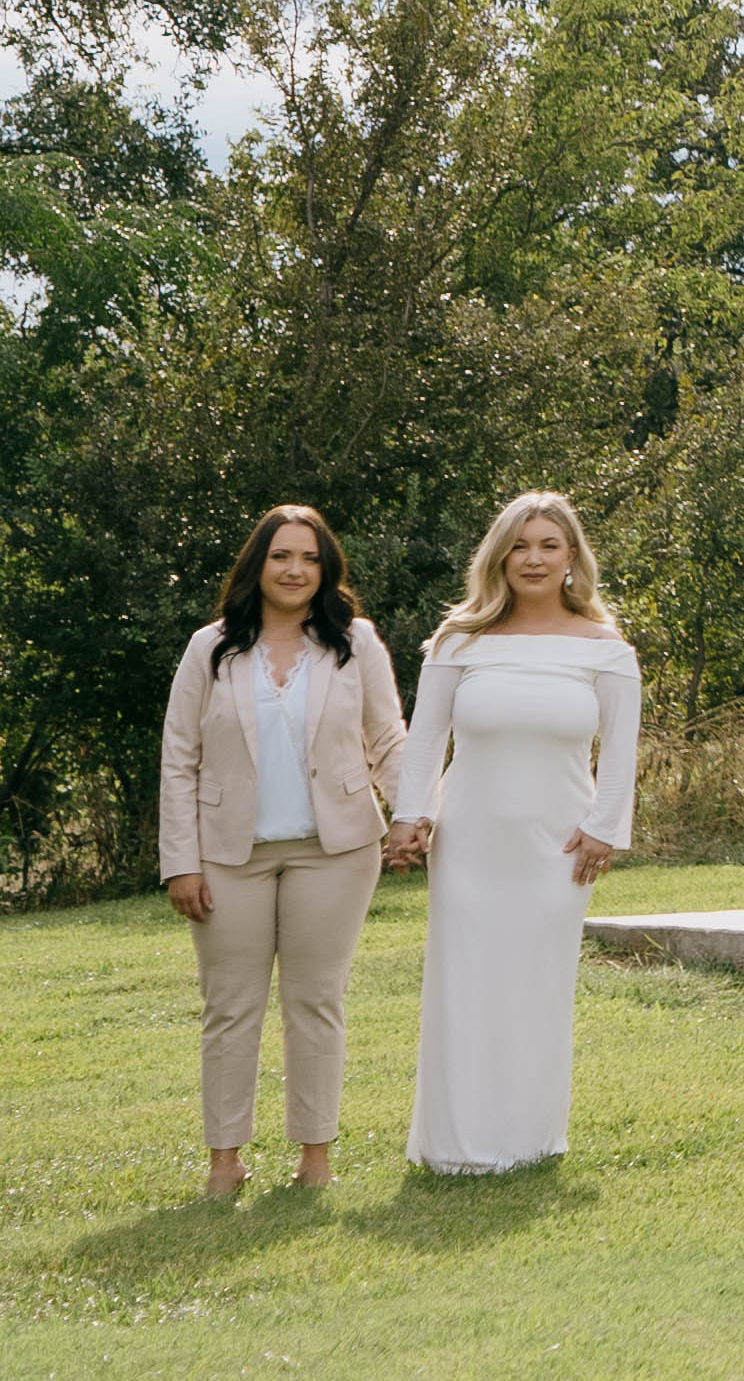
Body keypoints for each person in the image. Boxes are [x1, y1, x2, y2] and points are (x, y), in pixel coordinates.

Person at [157, 502, 417, 1200]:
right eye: (281, 556)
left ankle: (316, 1158)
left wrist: (414, 815)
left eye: (309, 557)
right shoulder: (208, 647)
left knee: (316, 1001)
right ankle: (224, 1161)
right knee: (230, 1006)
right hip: (226, 856)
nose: (295, 569)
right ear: (257, 565)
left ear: (326, 568)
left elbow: (388, 738)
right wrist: (181, 861)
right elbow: (178, 759)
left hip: (334, 852)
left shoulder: (354, 643)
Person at [395, 488, 644, 1175]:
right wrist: (408, 818)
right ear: (499, 558)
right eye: (519, 545)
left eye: (548, 545)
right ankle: (455, 1146)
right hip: (469, 838)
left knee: (538, 985)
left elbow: (621, 751)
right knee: (464, 981)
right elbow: (425, 743)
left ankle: (530, 1139)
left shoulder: (607, 651)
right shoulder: (459, 642)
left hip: (559, 847)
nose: (532, 558)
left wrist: (605, 829)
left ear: (572, 559)